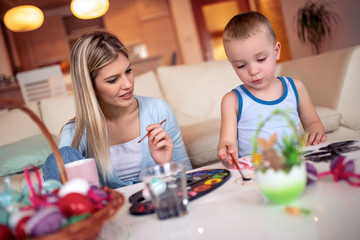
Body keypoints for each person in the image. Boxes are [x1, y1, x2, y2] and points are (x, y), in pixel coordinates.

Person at [43, 31, 192, 188]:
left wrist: (165, 165)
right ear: (90, 87)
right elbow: (62, 190)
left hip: (159, 203)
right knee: (62, 157)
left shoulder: (157, 110)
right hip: (108, 209)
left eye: (128, 71)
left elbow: (188, 177)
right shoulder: (75, 132)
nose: (128, 84)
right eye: (113, 80)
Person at [217, 11, 327, 168]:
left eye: (261, 59)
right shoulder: (232, 100)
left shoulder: (296, 88)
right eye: (241, 65)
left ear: (276, 51)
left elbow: (313, 124)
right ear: (232, 64)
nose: (253, 71)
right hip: (255, 173)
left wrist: (315, 133)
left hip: (294, 166)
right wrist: (226, 151)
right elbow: (227, 141)